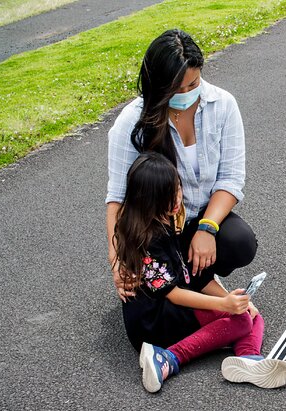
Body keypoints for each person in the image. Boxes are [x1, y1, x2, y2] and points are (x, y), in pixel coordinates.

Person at [114, 152, 286, 392]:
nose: (176, 200)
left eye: (176, 189)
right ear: (147, 200)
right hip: (155, 324)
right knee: (239, 320)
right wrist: (224, 306)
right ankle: (169, 358)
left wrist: (229, 299)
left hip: (175, 311)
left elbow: (197, 277)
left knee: (251, 314)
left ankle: (249, 360)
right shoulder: (147, 240)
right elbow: (174, 294)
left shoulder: (169, 223)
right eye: (166, 197)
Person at [106, 29, 256, 306]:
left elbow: (231, 180)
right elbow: (118, 198)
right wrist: (118, 262)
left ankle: (199, 276)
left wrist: (207, 228)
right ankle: (189, 280)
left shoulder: (223, 105)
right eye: (176, 89)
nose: (186, 94)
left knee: (240, 242)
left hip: (201, 217)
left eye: (193, 84)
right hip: (156, 232)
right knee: (155, 308)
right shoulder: (130, 123)